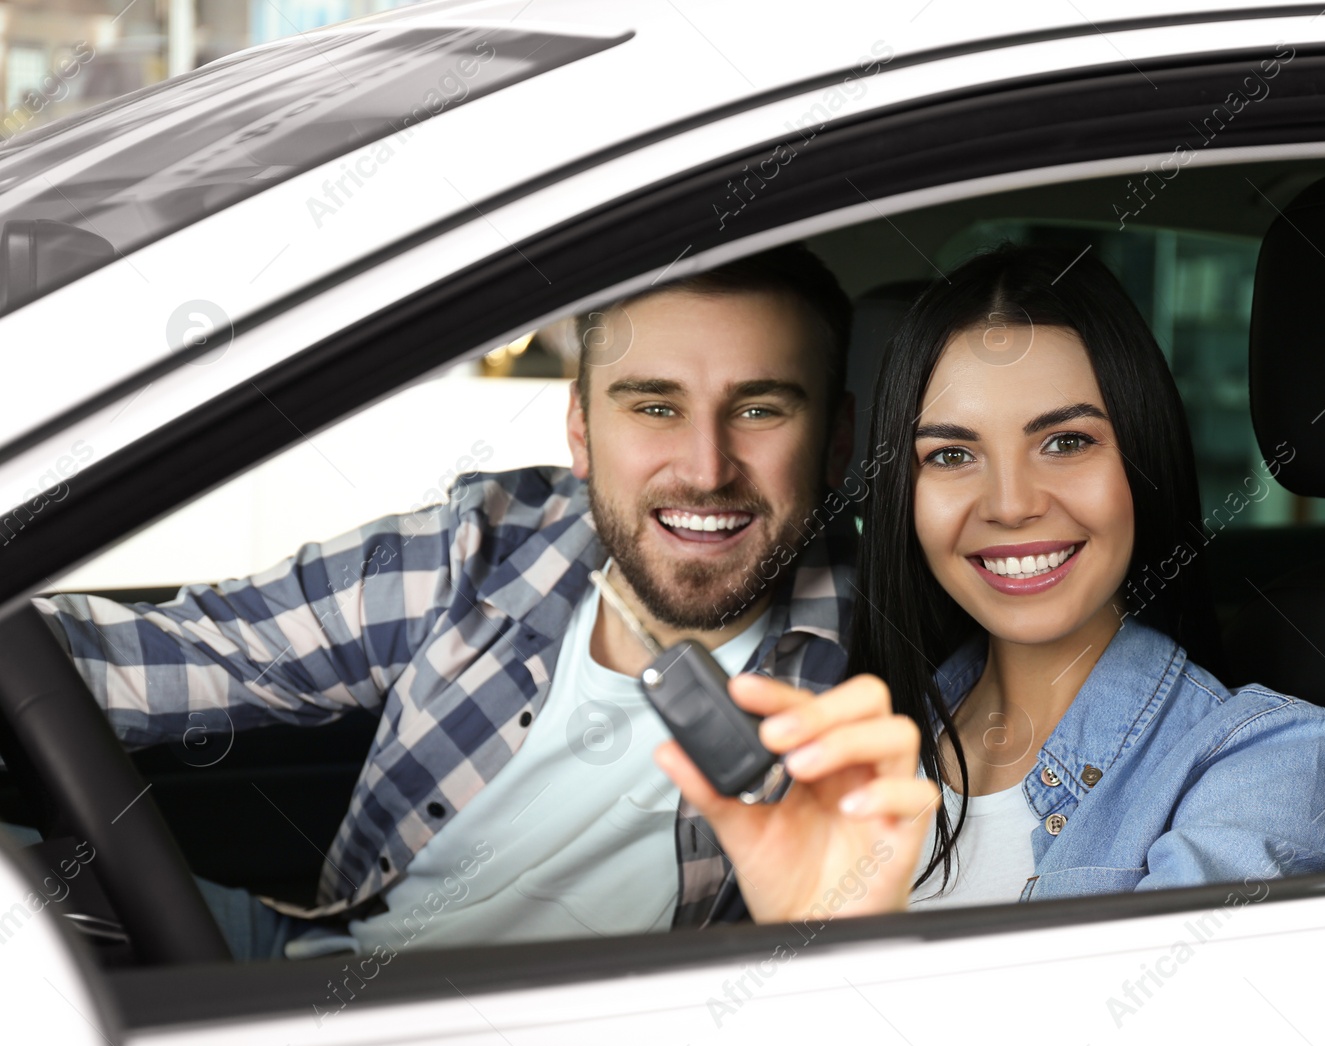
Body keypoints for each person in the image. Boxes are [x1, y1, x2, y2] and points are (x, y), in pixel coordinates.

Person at [28, 244, 932, 959]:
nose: (704, 466)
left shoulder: (887, 659)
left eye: (761, 410)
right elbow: (172, 657)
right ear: (580, 430)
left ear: (839, 438)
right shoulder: (488, 544)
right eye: (653, 407)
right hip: (314, 963)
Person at [664, 243, 1325, 916]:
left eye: (1066, 441)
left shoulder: (1269, 763)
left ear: (1143, 458)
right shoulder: (863, 746)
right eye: (953, 453)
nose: (1009, 503)